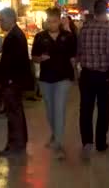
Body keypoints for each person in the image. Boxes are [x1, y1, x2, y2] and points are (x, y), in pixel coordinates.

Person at [77, 0, 109, 160]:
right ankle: (101, 143)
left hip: (87, 75)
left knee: (85, 110)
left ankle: (87, 142)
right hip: (104, 76)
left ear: (94, 12)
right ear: (106, 12)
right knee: (103, 110)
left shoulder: (84, 30)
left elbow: (79, 53)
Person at [31, 8, 76, 160]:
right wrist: (40, 59)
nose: (51, 24)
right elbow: (34, 58)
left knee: (59, 109)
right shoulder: (40, 37)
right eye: (49, 21)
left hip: (63, 78)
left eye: (54, 21)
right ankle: (55, 134)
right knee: (50, 111)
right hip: (46, 78)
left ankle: (58, 143)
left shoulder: (68, 37)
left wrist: (75, 74)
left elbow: (73, 57)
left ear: (59, 20)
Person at [0, 8, 33, 157]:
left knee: (13, 114)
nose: (0, 22)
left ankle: (15, 146)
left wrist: (8, 80)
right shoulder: (15, 34)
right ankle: (19, 143)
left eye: (2, 19)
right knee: (16, 112)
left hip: (12, 82)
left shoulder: (14, 36)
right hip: (14, 81)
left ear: (11, 19)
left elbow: (13, 62)